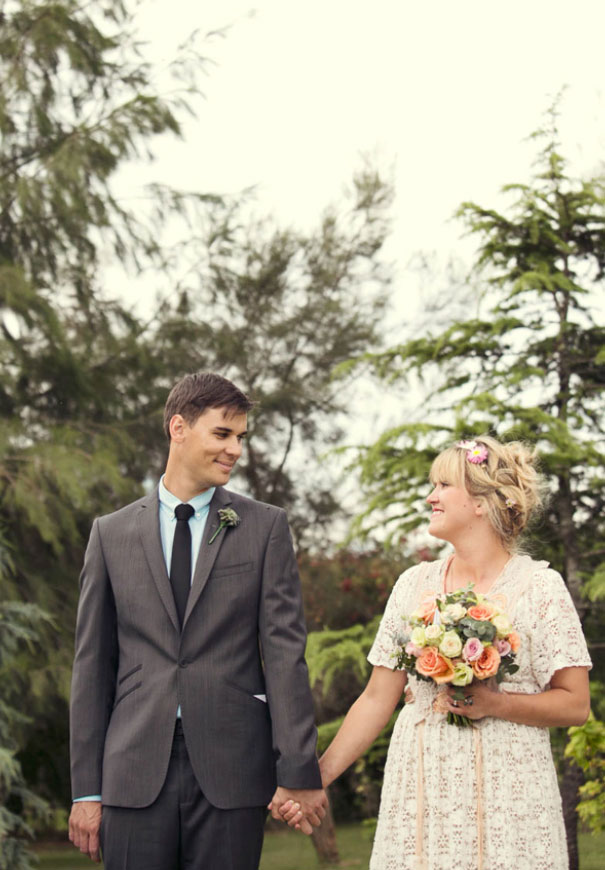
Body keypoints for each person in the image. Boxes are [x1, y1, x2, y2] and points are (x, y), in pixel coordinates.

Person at [282, 435, 591, 869]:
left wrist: (497, 703)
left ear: (481, 501)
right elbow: (377, 698)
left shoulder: (540, 587)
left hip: (511, 789)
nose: (431, 497)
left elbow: (575, 704)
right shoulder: (413, 584)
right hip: (422, 785)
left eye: (443, 485)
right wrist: (316, 778)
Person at [68, 371, 327, 870]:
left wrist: (297, 769)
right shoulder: (110, 534)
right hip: (132, 771)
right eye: (223, 434)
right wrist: (86, 790)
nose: (235, 450)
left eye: (241, 438)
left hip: (233, 770)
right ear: (178, 428)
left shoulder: (265, 527)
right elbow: (92, 667)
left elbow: (284, 656)